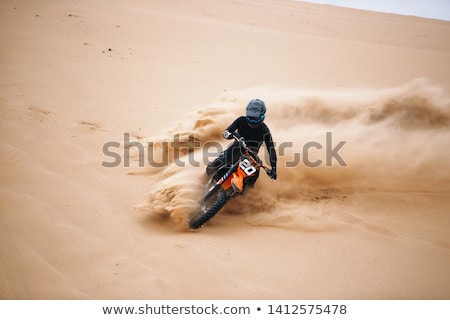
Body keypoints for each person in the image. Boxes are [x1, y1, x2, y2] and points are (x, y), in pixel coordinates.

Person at [206, 99, 277, 186]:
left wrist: (274, 169)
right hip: (235, 149)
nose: (252, 121)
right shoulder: (241, 120)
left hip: (252, 158)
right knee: (214, 165)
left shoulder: (265, 130)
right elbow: (226, 132)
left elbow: (271, 150)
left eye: (256, 118)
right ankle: (204, 182)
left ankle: (245, 195)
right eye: (250, 118)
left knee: (254, 176)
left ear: (262, 116)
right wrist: (233, 134)